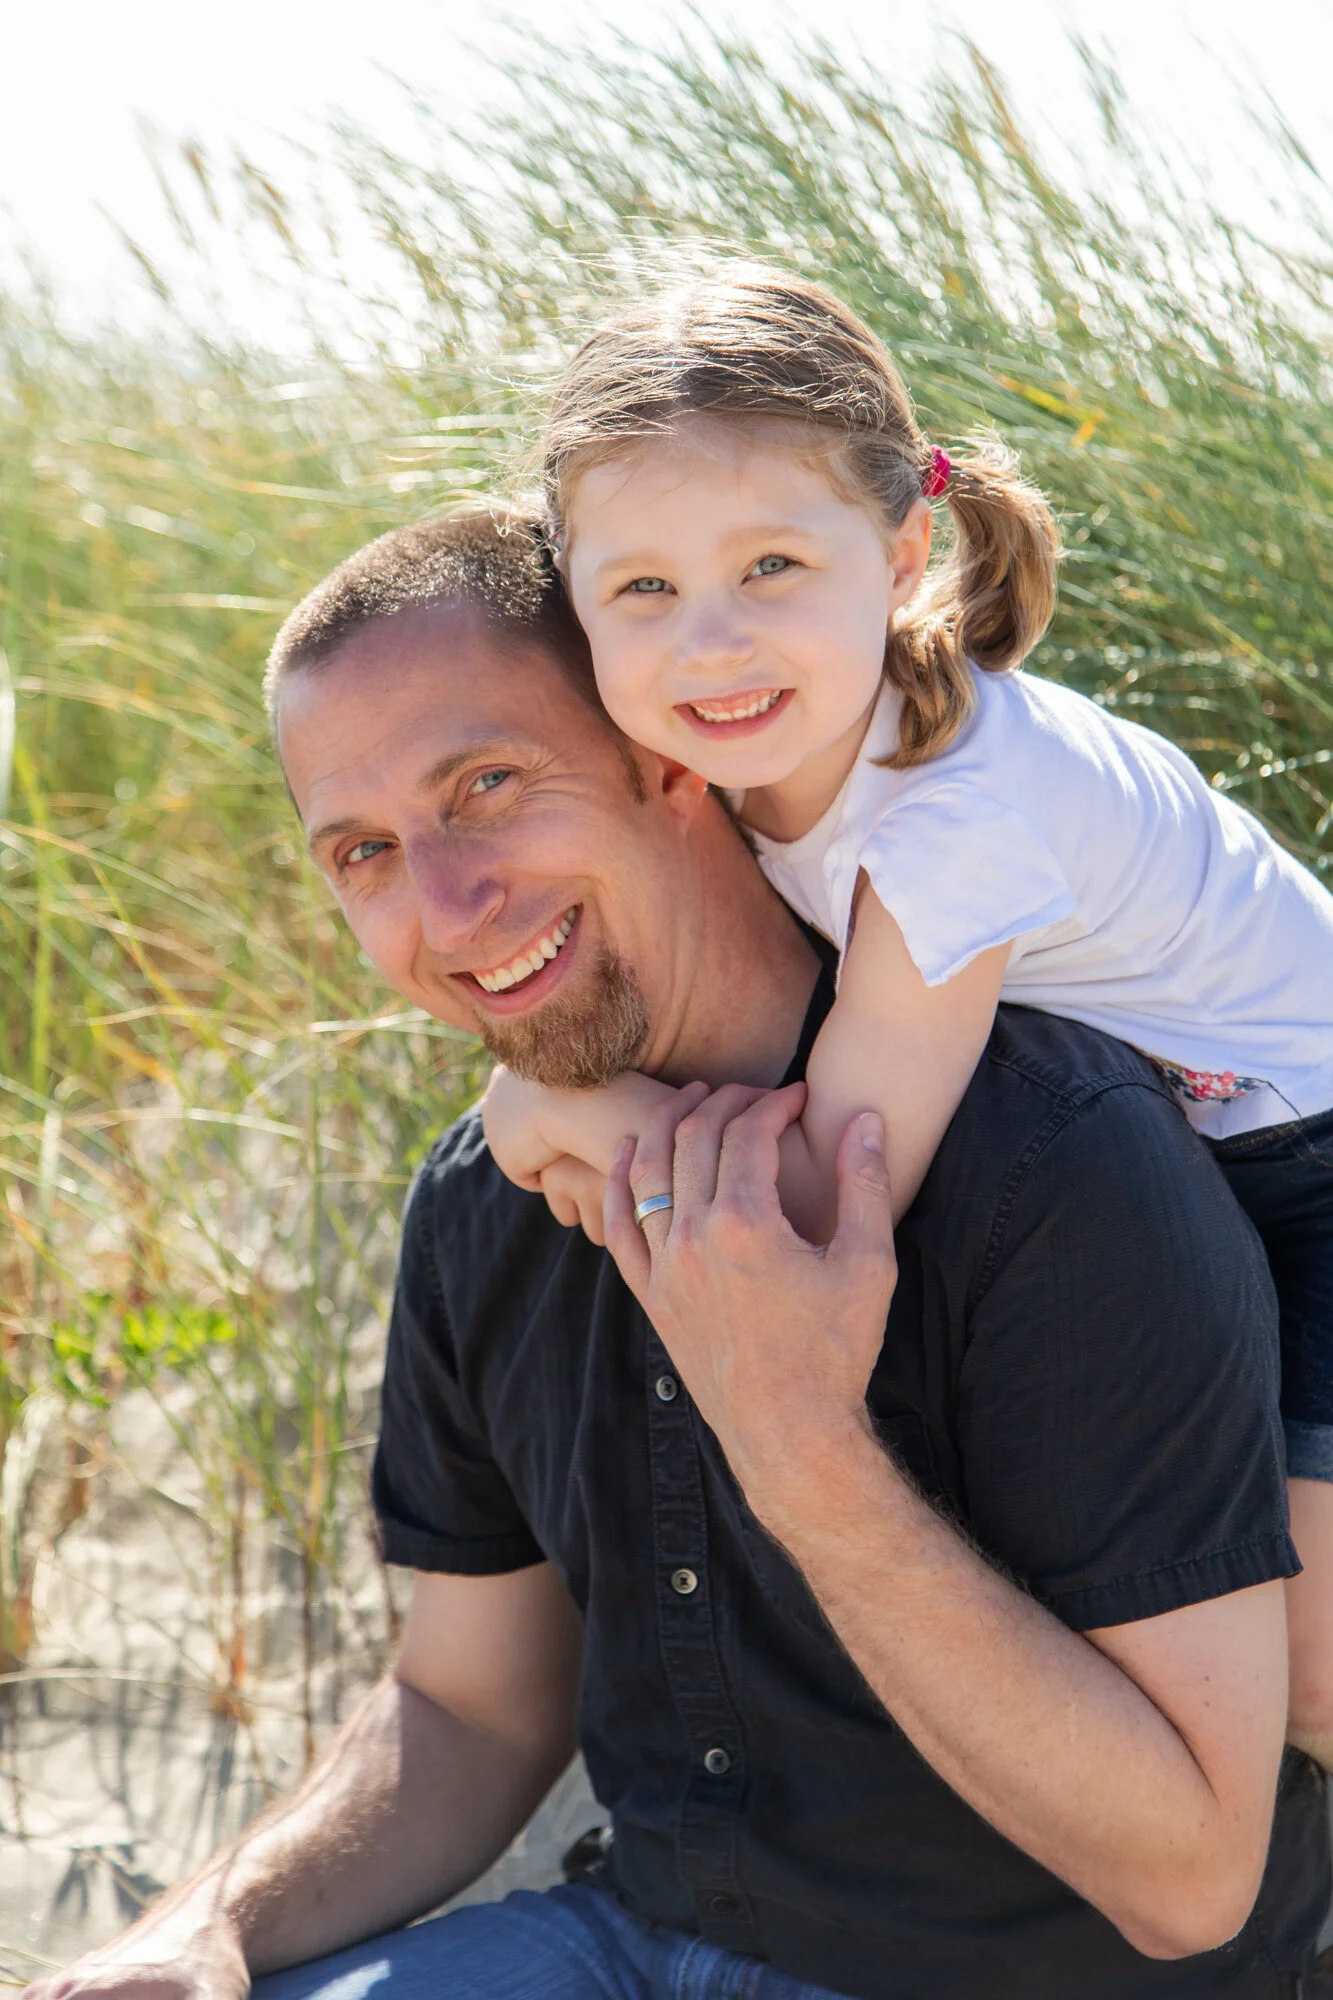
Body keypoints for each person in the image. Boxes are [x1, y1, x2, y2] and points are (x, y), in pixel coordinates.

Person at [25, 510, 1328, 2000]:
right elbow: (466, 1707)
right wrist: (211, 1921)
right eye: (366, 853)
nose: (446, 908)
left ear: (670, 756)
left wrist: (801, 1447)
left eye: (488, 787)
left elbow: (1192, 1882)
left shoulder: (1059, 1163)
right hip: (630, 1941)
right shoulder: (484, 1198)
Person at [478, 263, 1333, 1761]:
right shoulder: (755, 753)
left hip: (1306, 1151)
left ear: (901, 550)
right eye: (643, 590)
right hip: (1163, 1144)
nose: (710, 645)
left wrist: (559, 1105)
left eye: (772, 567)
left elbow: (826, 1202)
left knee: (1312, 1680)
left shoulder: (954, 819)